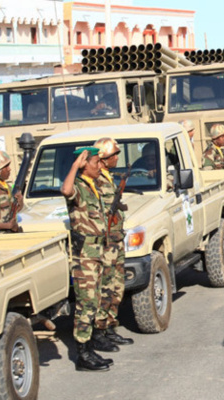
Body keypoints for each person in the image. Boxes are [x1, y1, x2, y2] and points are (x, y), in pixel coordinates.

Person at [60, 147, 113, 372]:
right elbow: (65, 189)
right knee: (86, 305)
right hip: (84, 258)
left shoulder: (93, 187)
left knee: (94, 302)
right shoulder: (79, 187)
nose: (99, 166)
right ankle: (83, 355)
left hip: (96, 254)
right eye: (95, 162)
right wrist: (75, 166)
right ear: (85, 165)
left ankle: (89, 347)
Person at [93, 138, 134, 347]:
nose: (116, 158)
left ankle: (110, 326)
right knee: (106, 287)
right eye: (113, 155)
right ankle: (99, 331)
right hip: (106, 241)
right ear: (103, 159)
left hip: (116, 239)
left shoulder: (108, 177)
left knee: (117, 286)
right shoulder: (96, 180)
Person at [0, 150, 22, 233]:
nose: (9, 169)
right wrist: (7, 225)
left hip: (10, 235)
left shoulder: (7, 187)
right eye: (6, 166)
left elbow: (12, 211)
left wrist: (20, 201)